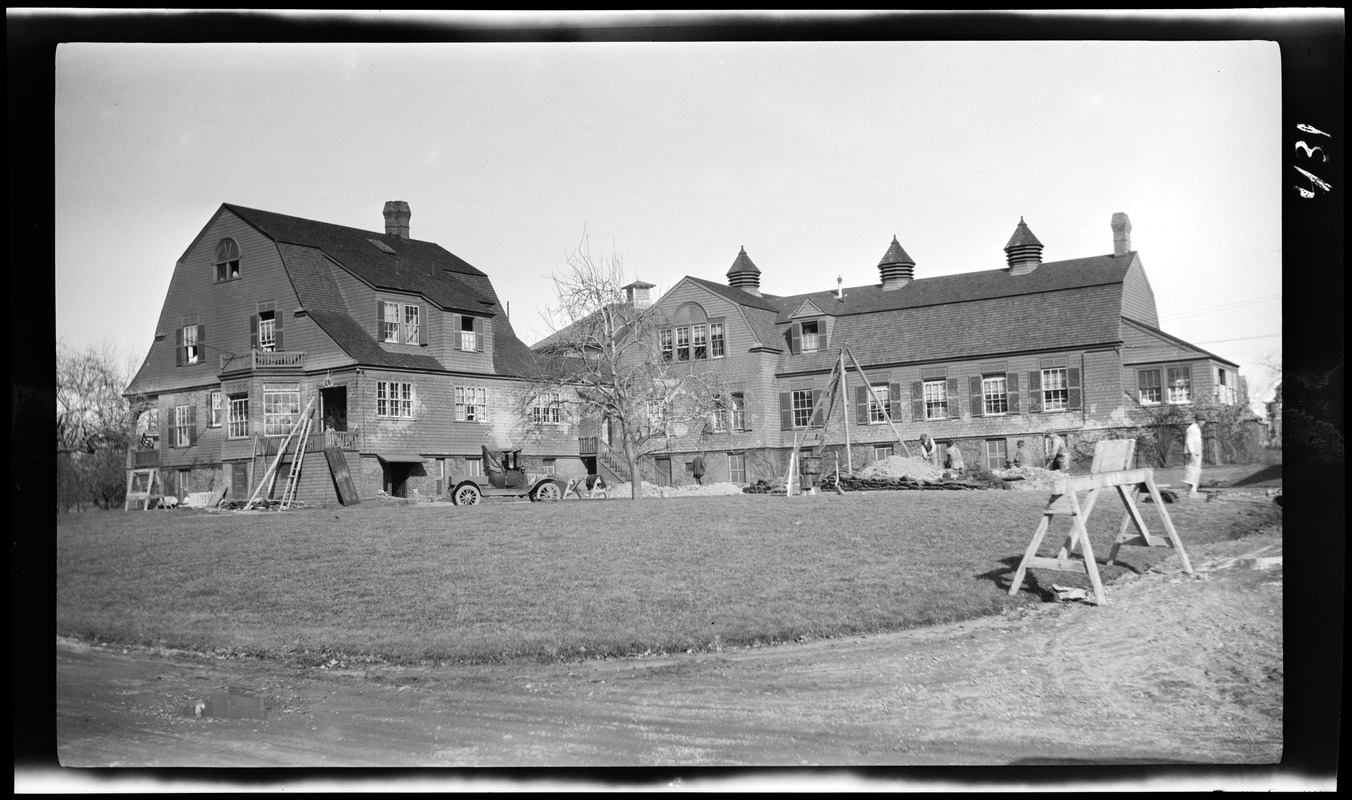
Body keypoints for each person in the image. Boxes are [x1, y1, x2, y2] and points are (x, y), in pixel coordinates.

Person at [1183, 414, 1204, 499]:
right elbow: (1189, 441)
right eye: (1202, 420)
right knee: (1192, 471)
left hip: (1197, 452)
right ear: (1198, 420)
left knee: (1196, 471)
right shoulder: (1192, 428)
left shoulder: (1197, 429)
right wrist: (1192, 452)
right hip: (1193, 453)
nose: (1203, 422)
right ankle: (1191, 490)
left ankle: (1192, 490)